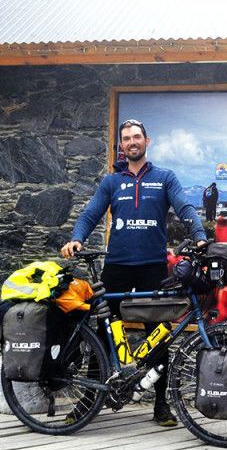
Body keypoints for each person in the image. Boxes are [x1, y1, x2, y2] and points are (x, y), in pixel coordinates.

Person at [61, 118, 206, 427]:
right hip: (117, 267)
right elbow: (91, 212)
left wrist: (200, 234)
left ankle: (161, 405)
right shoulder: (111, 182)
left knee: (160, 336)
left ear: (146, 141)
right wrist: (76, 237)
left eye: (136, 137)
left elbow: (184, 207)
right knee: (103, 334)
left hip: (153, 268)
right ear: (122, 146)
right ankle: (90, 401)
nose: (131, 142)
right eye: (126, 138)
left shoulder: (165, 178)